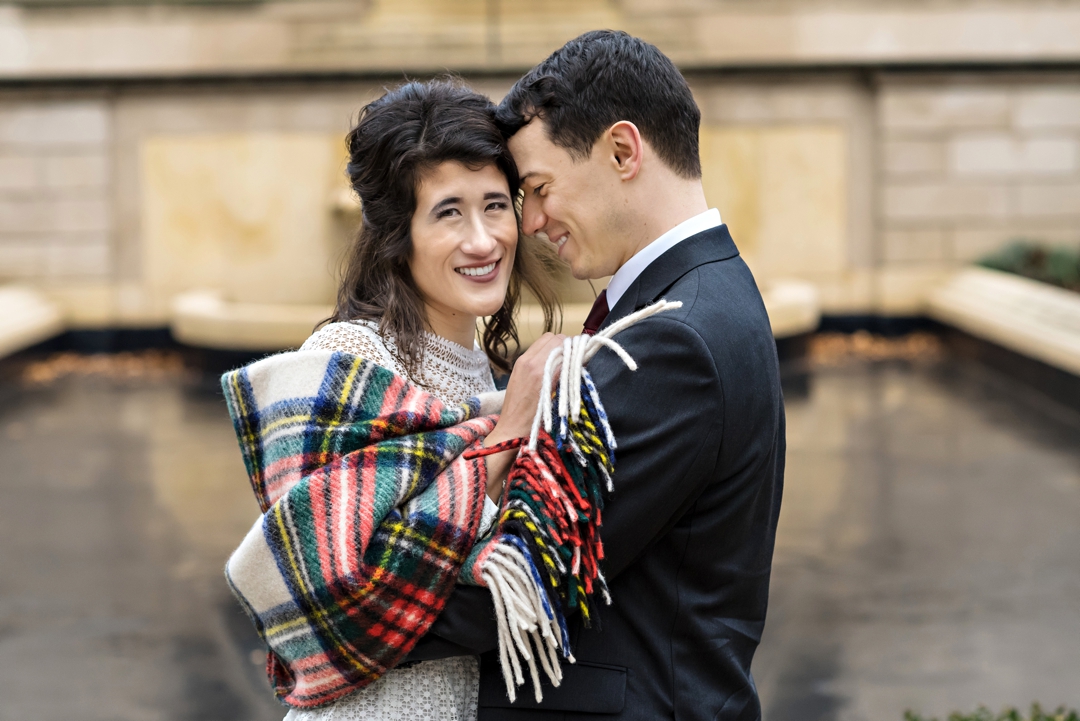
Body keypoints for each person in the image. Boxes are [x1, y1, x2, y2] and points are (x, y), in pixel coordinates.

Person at [405, 31, 787, 720]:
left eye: (540, 188)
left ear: (621, 151)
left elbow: (530, 579)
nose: (531, 221)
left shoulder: (675, 340)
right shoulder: (697, 297)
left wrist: (338, 611)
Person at [284, 78, 566, 721]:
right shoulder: (348, 361)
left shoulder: (491, 375)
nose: (483, 240)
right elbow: (337, 592)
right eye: (448, 212)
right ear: (397, 233)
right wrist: (513, 424)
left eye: (496, 205)